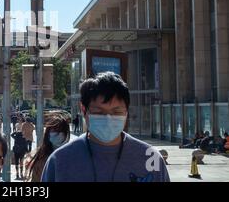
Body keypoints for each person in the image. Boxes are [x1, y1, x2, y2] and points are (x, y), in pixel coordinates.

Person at [42, 72, 170, 182]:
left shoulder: (150, 157)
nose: (108, 118)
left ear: (127, 111)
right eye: (99, 112)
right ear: (84, 110)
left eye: (116, 112)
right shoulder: (60, 160)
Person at [28, 114, 70, 182]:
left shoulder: (73, 155)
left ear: (66, 133)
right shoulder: (41, 158)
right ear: (48, 133)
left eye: (61, 130)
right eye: (54, 130)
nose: (58, 133)